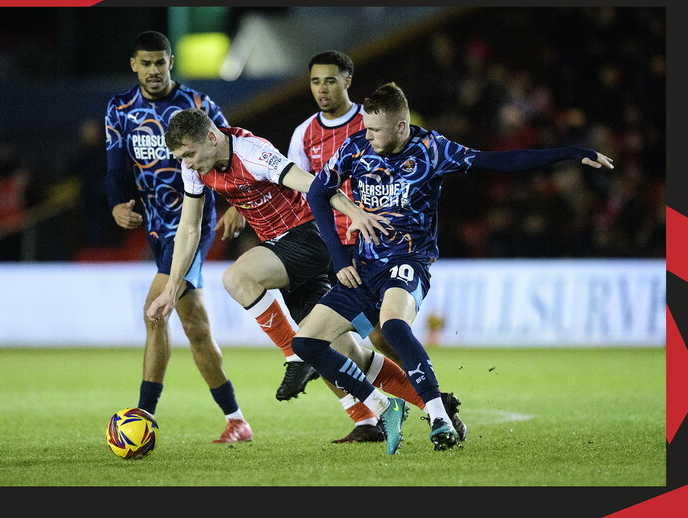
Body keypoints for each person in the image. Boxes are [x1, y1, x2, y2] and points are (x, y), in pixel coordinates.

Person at [294, 81, 615, 453]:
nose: (366, 135)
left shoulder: (432, 149)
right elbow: (319, 191)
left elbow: (498, 161)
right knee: (306, 342)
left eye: (374, 129)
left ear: (401, 126)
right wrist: (339, 258)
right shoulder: (357, 148)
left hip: (407, 261)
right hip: (363, 267)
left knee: (394, 328)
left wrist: (570, 153)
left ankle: (440, 419)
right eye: (365, 127)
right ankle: (383, 405)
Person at [147, 107, 460, 450]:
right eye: (181, 157)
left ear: (211, 138)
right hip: (287, 254)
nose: (188, 163)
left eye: (190, 154)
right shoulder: (194, 168)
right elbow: (189, 228)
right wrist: (172, 289)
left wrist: (356, 213)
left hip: (310, 238)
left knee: (237, 278)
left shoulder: (253, 153)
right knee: (348, 353)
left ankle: (295, 357)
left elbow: (317, 187)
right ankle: (437, 408)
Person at [105, 31, 251, 443]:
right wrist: (117, 202)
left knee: (155, 311)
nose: (154, 70)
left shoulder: (199, 105)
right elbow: (115, 163)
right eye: (145, 63)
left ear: (171, 62)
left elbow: (232, 150)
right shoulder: (119, 108)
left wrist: (239, 202)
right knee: (197, 329)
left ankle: (142, 418)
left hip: (193, 222)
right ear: (134, 64)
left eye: (160, 62)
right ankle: (237, 420)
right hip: (154, 223)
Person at [287, 50, 434, 444]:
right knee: (340, 339)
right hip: (331, 250)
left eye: (330, 80)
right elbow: (302, 188)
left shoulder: (371, 121)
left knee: (381, 336)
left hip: (375, 251)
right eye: (315, 81)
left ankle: (432, 399)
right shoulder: (303, 133)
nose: (322, 89)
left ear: (348, 81)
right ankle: (375, 415)